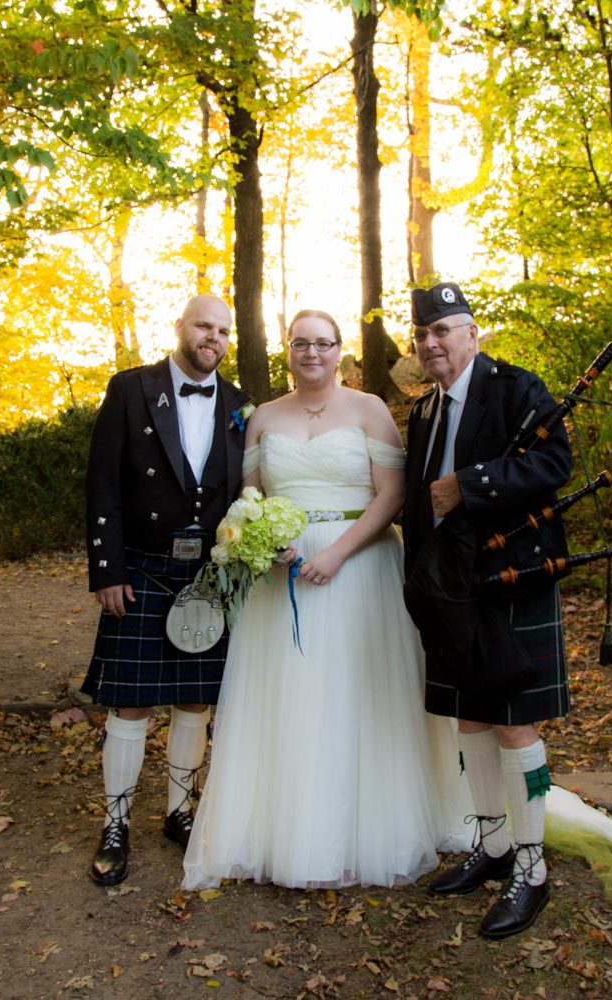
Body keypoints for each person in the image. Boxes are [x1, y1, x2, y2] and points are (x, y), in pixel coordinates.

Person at [182, 309, 470, 890]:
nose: (311, 352)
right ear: (287, 351)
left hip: (360, 566)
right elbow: (250, 490)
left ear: (341, 351)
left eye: (323, 343)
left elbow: (391, 496)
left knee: (356, 695)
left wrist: (337, 552)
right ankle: (283, 830)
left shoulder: (369, 410)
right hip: (280, 574)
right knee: (289, 699)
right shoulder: (263, 416)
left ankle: (369, 828)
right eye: (300, 343)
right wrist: (262, 534)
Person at [402, 281, 574, 939]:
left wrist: (468, 485)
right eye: (424, 334)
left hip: (511, 575)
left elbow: (556, 463)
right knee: (468, 720)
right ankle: (494, 847)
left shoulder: (518, 389)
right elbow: (421, 505)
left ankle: (531, 868)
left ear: (473, 333)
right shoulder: (425, 410)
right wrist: (419, 582)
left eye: (444, 329)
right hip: (449, 585)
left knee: (515, 724)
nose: (432, 343)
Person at [81, 293, 249, 886]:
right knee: (131, 702)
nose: (214, 338)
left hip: (207, 575)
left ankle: (179, 811)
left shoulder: (236, 403)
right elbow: (102, 483)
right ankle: (116, 821)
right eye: (205, 326)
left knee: (194, 701)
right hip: (144, 570)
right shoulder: (131, 389)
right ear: (180, 327)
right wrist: (109, 570)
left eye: (224, 331)